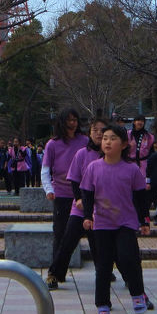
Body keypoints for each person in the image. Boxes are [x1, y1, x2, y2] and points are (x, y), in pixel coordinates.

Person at [81, 123, 151, 314]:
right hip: (102, 223)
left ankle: (137, 294)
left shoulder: (131, 169)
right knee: (103, 266)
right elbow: (87, 193)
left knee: (128, 258)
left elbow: (140, 197)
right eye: (104, 138)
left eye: (112, 138)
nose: (107, 142)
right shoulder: (93, 167)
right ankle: (103, 306)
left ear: (123, 144)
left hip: (126, 222)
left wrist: (144, 220)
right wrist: (87, 216)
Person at [46, 118, 106, 291]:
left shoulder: (109, 155)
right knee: (67, 242)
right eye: (95, 130)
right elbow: (74, 179)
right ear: (89, 133)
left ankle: (112, 275)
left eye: (103, 131)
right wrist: (78, 199)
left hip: (101, 210)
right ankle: (54, 274)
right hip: (80, 209)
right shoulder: (82, 154)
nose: (99, 134)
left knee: (100, 246)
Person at [41, 109, 89, 264]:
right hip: (61, 194)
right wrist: (49, 189)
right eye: (69, 120)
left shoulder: (85, 141)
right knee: (60, 234)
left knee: (94, 233)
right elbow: (45, 169)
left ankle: (105, 271)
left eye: (75, 120)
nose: (73, 123)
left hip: (84, 195)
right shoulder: (52, 144)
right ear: (62, 122)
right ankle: (55, 271)